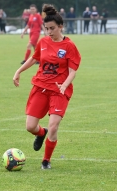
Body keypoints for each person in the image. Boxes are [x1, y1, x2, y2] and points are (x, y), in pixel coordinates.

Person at [13, 4, 81, 170]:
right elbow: (34, 59)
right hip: (40, 87)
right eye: (47, 29)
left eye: (52, 28)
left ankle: (46, 161)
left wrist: (64, 86)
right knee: (30, 126)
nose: (49, 32)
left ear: (60, 26)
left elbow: (72, 72)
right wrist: (18, 71)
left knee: (53, 126)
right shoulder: (43, 42)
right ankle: (41, 133)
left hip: (59, 90)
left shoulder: (69, 46)